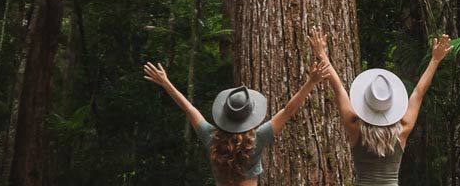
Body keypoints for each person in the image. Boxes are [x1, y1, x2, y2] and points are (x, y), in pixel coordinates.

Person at [142, 60, 331, 186]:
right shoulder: (257, 139)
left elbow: (189, 109)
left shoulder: (210, 137)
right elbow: (288, 110)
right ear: (250, 117)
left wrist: (166, 83)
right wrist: (311, 82)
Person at [307, 28, 451, 185]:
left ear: (365, 103)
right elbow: (418, 93)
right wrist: (435, 60)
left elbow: (338, 88)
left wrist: (321, 53)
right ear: (391, 107)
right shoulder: (402, 130)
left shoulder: (354, 127)